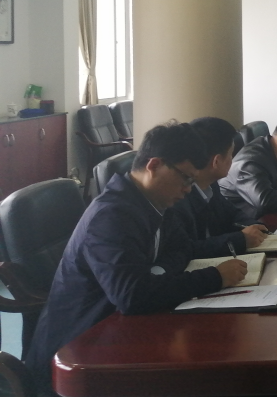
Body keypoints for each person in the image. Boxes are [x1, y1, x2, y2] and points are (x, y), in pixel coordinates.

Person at [25, 122, 247, 393]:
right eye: (186, 178)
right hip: (77, 354)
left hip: (120, 331)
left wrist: (156, 273)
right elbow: (132, 295)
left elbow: (183, 250)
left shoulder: (156, 202)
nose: (188, 189)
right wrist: (215, 277)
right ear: (154, 165)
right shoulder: (111, 216)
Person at [167, 117, 269, 258]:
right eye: (231, 154)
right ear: (216, 161)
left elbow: (232, 214)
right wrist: (240, 240)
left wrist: (256, 228)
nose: (233, 160)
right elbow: (187, 250)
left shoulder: (211, 184)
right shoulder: (178, 197)